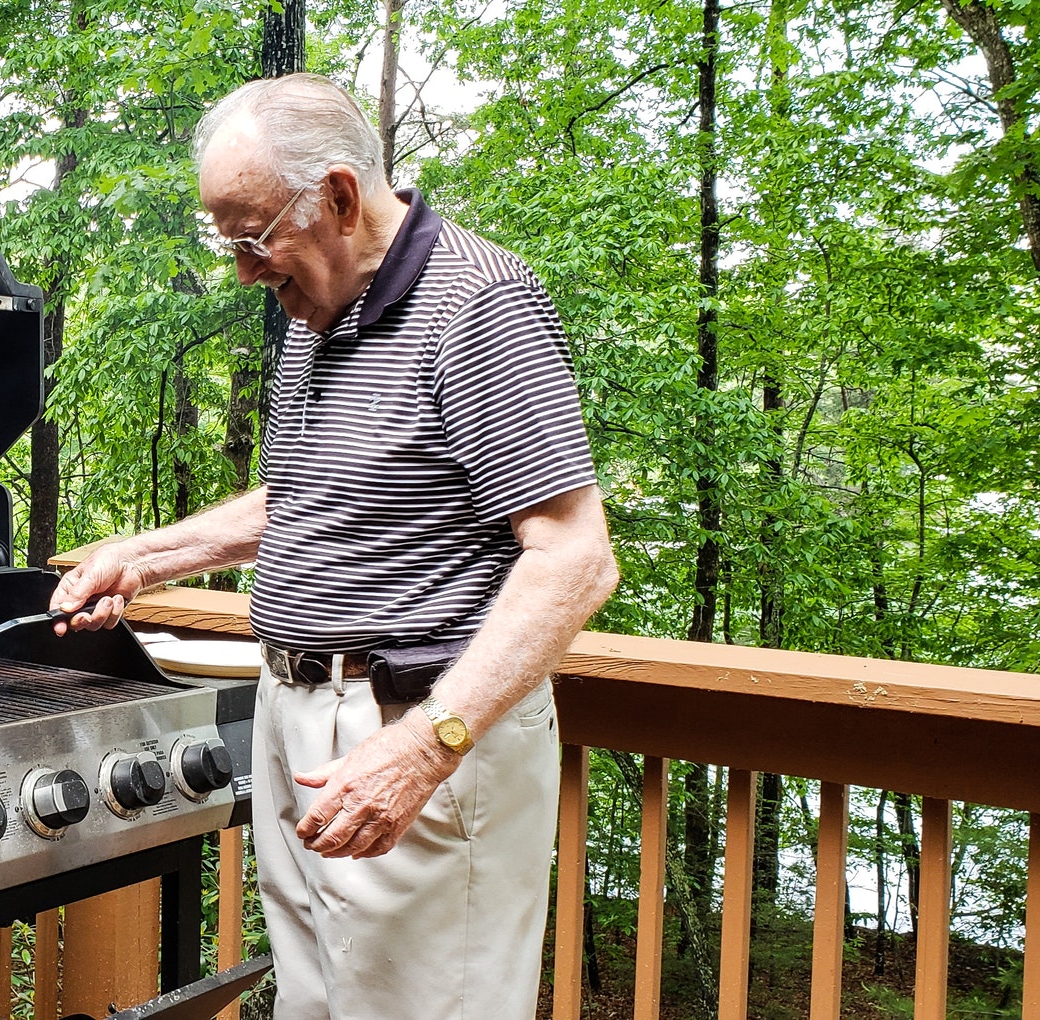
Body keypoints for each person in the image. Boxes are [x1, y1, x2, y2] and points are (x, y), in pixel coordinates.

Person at [50, 73, 620, 1019]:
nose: (243, 271)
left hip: (418, 728)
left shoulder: (477, 302)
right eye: (226, 240)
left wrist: (424, 749)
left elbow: (573, 554)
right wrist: (145, 556)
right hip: (296, 718)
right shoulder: (317, 317)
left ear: (343, 197)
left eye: (253, 237)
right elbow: (300, 499)